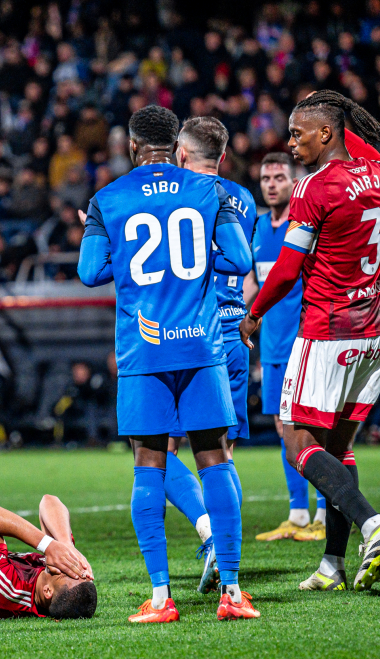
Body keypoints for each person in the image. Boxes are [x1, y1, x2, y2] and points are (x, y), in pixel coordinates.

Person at [77, 105, 258, 623]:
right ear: (176, 146)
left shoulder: (107, 199)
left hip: (143, 351)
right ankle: (233, 591)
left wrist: (129, 259)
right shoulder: (210, 192)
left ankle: (161, 599)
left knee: (148, 464)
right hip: (202, 348)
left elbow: (90, 273)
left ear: (132, 147)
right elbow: (242, 261)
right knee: (216, 458)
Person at [239, 91, 380, 593]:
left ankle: (372, 522)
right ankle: (332, 563)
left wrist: (254, 315)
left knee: (295, 442)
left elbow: (288, 269)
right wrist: (335, 109)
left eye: (299, 132)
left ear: (326, 134)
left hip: (328, 330)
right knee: (340, 447)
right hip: (374, 332)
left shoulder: (312, 189)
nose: (290, 143)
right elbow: (357, 141)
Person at [161, 116, 258, 594]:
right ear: (223, 155)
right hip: (234, 325)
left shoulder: (170, 194)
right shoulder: (242, 198)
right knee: (222, 456)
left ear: (181, 152)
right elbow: (244, 262)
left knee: (154, 452)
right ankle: (227, 549)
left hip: (187, 331)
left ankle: (209, 533)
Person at [244, 152, 328, 543]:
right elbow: (251, 283)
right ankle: (297, 514)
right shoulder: (258, 227)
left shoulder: (306, 224)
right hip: (274, 348)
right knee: (282, 429)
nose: (272, 183)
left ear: (294, 182)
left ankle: (326, 512)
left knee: (313, 428)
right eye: (266, 177)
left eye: (280, 176)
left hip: (306, 342)